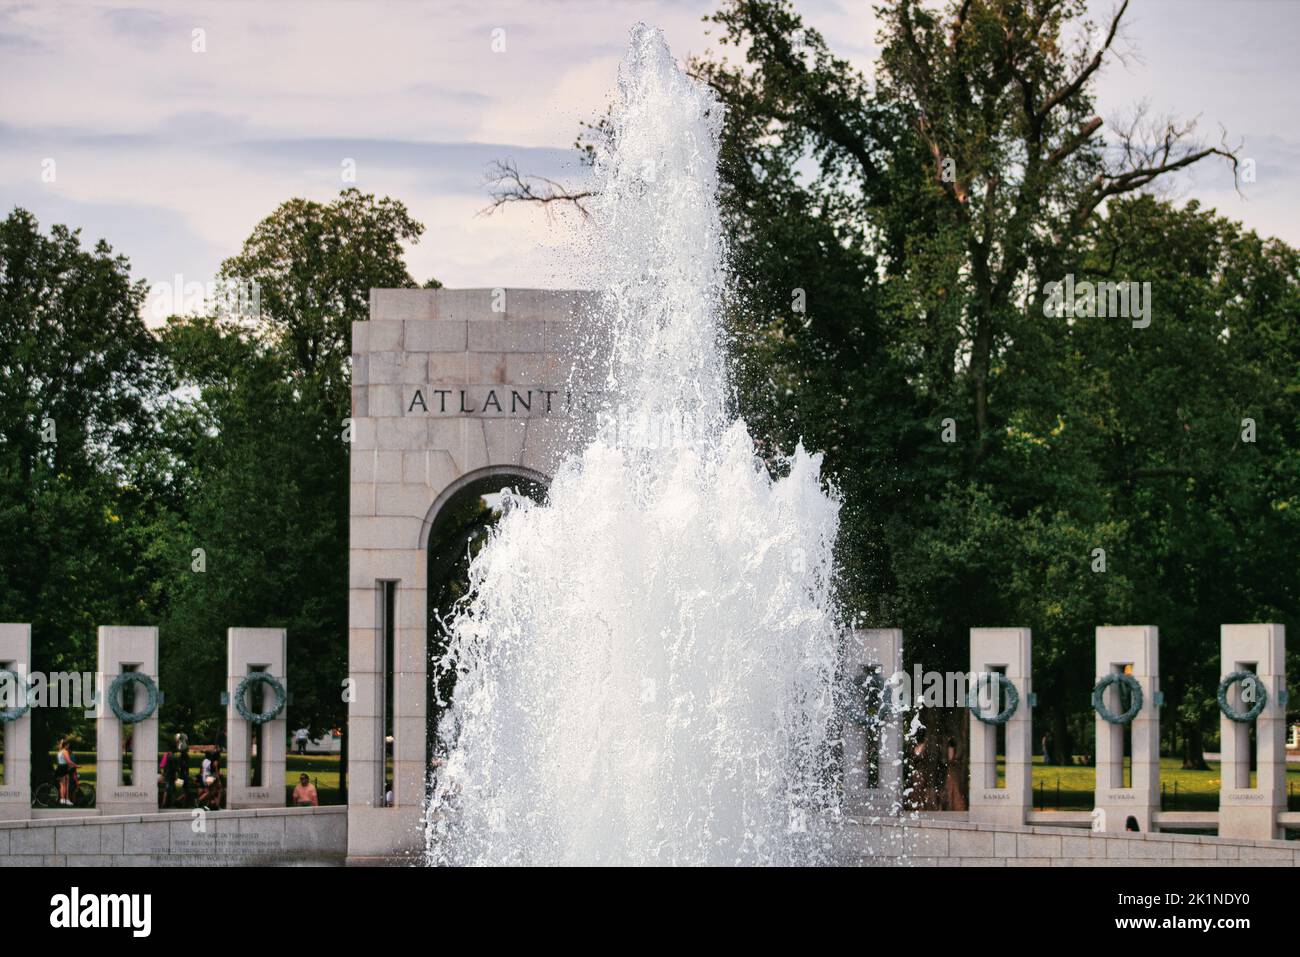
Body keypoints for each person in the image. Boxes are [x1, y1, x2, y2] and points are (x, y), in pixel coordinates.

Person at [56, 738, 78, 806]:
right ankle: (67, 800)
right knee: (66, 785)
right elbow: (68, 761)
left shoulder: (59, 752)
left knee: (62, 785)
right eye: (68, 745)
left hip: (59, 767)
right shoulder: (65, 751)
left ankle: (62, 800)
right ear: (66, 745)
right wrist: (76, 765)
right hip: (64, 768)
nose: (68, 746)